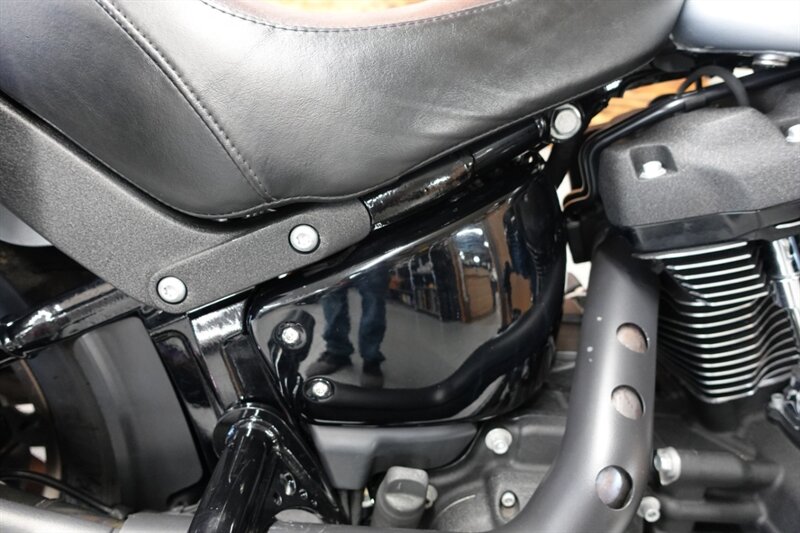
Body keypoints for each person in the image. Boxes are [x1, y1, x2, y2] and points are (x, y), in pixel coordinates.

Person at [307, 270, 389, 388]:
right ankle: (337, 352)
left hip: (367, 259)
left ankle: (371, 359)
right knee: (332, 297)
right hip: (332, 261)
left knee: (374, 301)